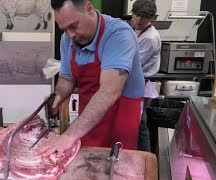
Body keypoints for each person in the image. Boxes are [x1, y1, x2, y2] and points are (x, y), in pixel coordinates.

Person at [36, 0, 145, 157]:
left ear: (89, 8)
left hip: (120, 115)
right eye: (64, 29)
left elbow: (109, 92)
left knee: (118, 165)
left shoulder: (119, 34)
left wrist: (68, 135)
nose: (70, 35)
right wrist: (58, 95)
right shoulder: (68, 38)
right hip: (89, 116)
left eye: (73, 26)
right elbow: (67, 78)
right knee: (87, 163)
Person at [131, 0, 161, 152]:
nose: (138, 19)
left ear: (152, 18)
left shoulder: (150, 37)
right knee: (137, 122)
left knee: (140, 124)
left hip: (140, 85)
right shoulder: (138, 31)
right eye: (136, 15)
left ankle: (145, 156)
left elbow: (133, 63)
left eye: (143, 17)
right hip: (136, 83)